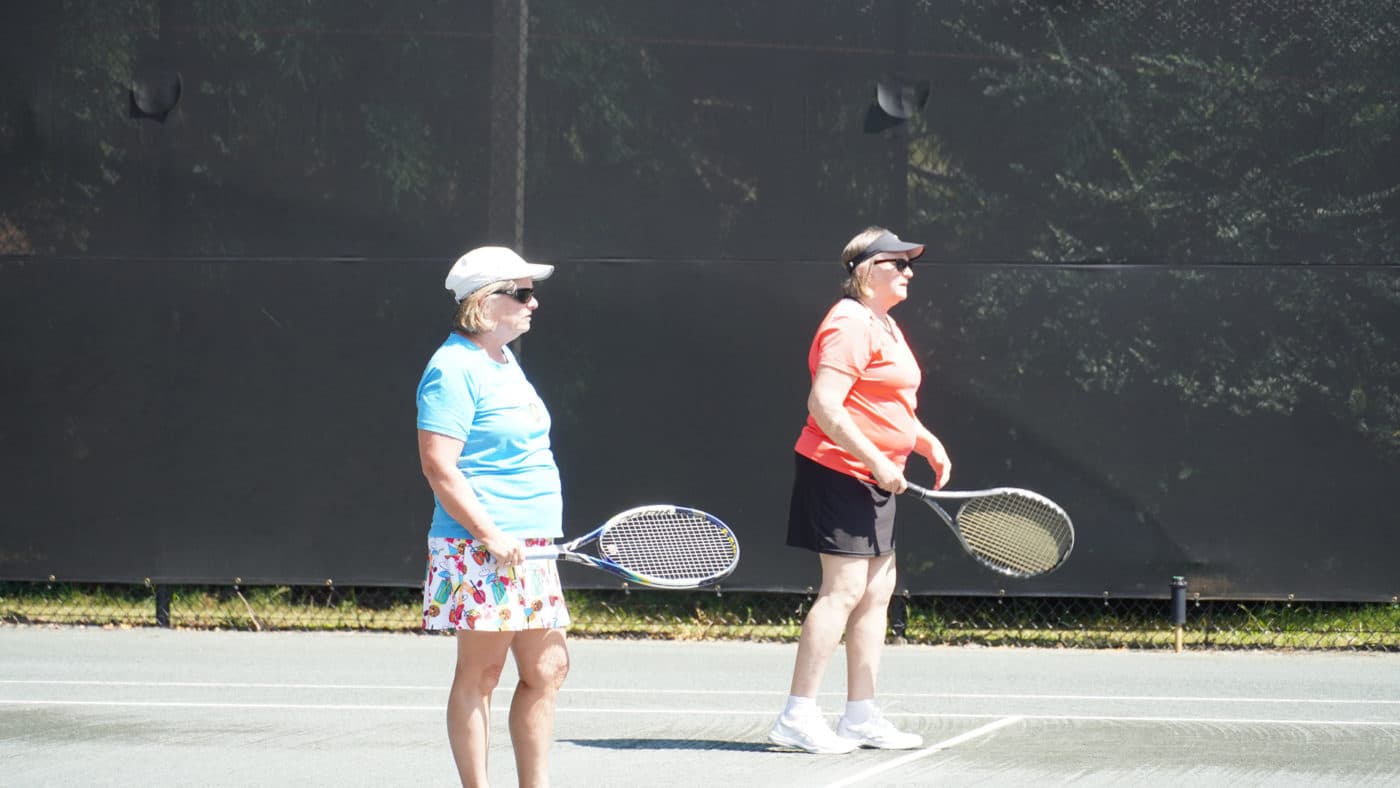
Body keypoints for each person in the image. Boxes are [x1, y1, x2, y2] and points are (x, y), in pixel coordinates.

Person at [768, 227, 953, 755]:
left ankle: (861, 717)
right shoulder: (849, 323)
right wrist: (875, 459)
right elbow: (824, 403)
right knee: (844, 591)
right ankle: (797, 716)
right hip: (839, 470)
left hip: (873, 475)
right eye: (898, 263)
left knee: (876, 593)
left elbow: (885, 401)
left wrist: (924, 441)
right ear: (867, 272)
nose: (909, 272)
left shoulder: (885, 325)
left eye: (910, 264)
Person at [417, 246, 571, 788]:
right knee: (481, 674)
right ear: (485, 302)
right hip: (480, 546)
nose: (534, 303)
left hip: (531, 545)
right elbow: (439, 466)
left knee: (548, 669)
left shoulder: (504, 362)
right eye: (522, 293)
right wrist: (491, 534)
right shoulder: (452, 368)